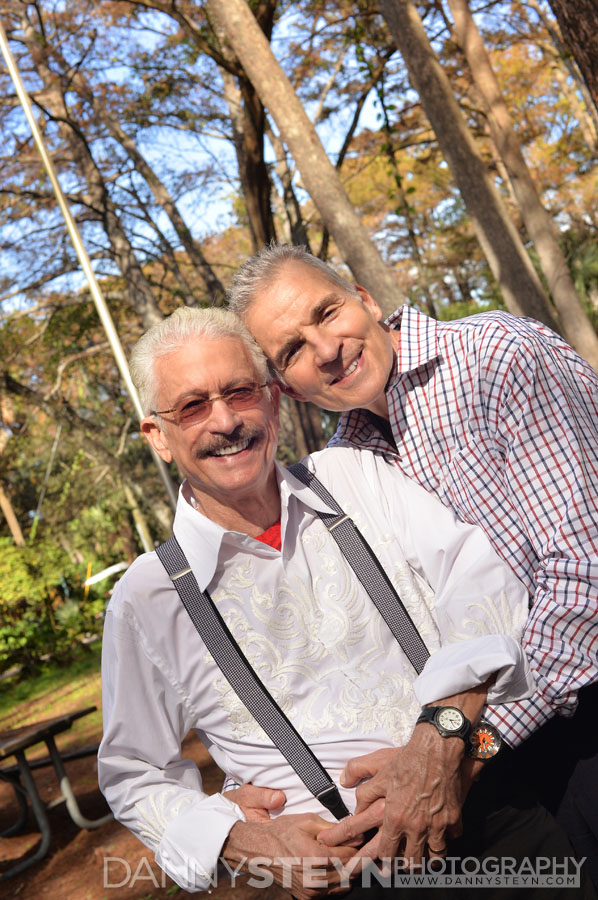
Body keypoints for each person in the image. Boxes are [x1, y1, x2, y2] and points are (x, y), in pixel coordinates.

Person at [98, 307, 587, 899]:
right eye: (193, 406)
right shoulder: (147, 598)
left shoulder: (355, 475)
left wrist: (443, 736)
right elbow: (133, 770)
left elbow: (483, 583)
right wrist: (235, 839)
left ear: (272, 402)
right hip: (346, 882)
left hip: (494, 823)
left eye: (240, 392)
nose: (225, 421)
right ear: (158, 436)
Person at [228, 242, 598, 883]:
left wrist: (466, 750)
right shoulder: (349, 469)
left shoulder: (497, 356)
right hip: (515, 756)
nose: (327, 349)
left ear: (366, 300)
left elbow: (586, 574)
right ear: (286, 386)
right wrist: (241, 798)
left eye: (327, 312)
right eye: (292, 350)